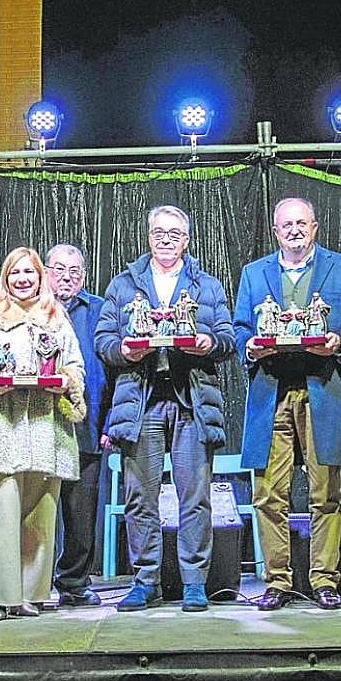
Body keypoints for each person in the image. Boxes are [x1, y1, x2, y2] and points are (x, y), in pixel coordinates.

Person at [95, 205, 236, 613]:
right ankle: (145, 582)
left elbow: (227, 337)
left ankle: (194, 582)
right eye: (159, 233)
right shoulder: (124, 284)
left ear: (186, 240)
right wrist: (123, 350)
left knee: (196, 497)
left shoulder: (206, 285)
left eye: (175, 234)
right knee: (140, 498)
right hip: (140, 401)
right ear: (149, 237)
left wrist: (209, 343)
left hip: (191, 400)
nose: (166, 240)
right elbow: (103, 339)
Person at [233, 197, 341, 611]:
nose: (294, 230)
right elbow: (239, 328)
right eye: (286, 225)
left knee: (325, 494)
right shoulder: (254, 273)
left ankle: (324, 580)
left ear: (314, 228)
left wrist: (338, 342)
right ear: (276, 231)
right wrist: (250, 346)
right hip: (270, 393)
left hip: (323, 391)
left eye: (301, 223)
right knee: (268, 495)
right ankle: (277, 581)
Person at [0, 247, 85, 620]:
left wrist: (65, 381)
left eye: (29, 272)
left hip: (46, 432)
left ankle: (31, 594)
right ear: (5, 278)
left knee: (40, 518)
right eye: (15, 273)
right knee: (1, 515)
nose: (22, 279)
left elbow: (75, 366)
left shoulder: (56, 318)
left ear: (40, 277)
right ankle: (0, 596)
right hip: (0, 431)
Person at [45, 243, 108, 608]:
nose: (66, 277)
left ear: (83, 276)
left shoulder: (99, 310)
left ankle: (74, 582)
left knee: (81, 512)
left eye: (74, 271)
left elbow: (114, 371)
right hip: (38, 425)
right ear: (45, 272)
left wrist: (110, 421)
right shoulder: (30, 308)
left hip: (87, 423)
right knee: (38, 510)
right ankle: (33, 584)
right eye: (58, 269)